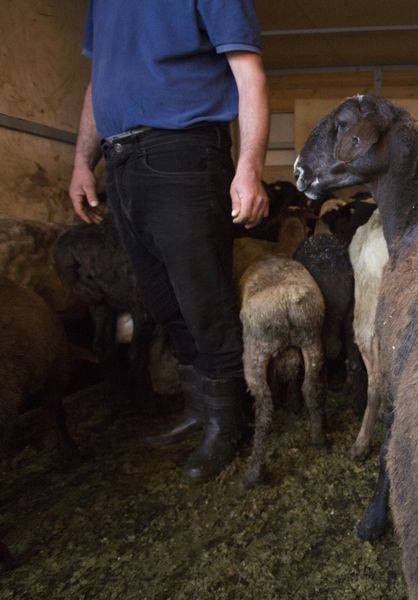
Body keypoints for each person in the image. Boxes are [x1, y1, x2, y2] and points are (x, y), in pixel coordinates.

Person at [68, 1, 270, 483]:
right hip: (119, 160)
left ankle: (228, 422)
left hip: (181, 150)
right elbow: (99, 81)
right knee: (161, 297)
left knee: (203, 296)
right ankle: (200, 407)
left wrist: (250, 167)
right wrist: (82, 161)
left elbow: (249, 73)